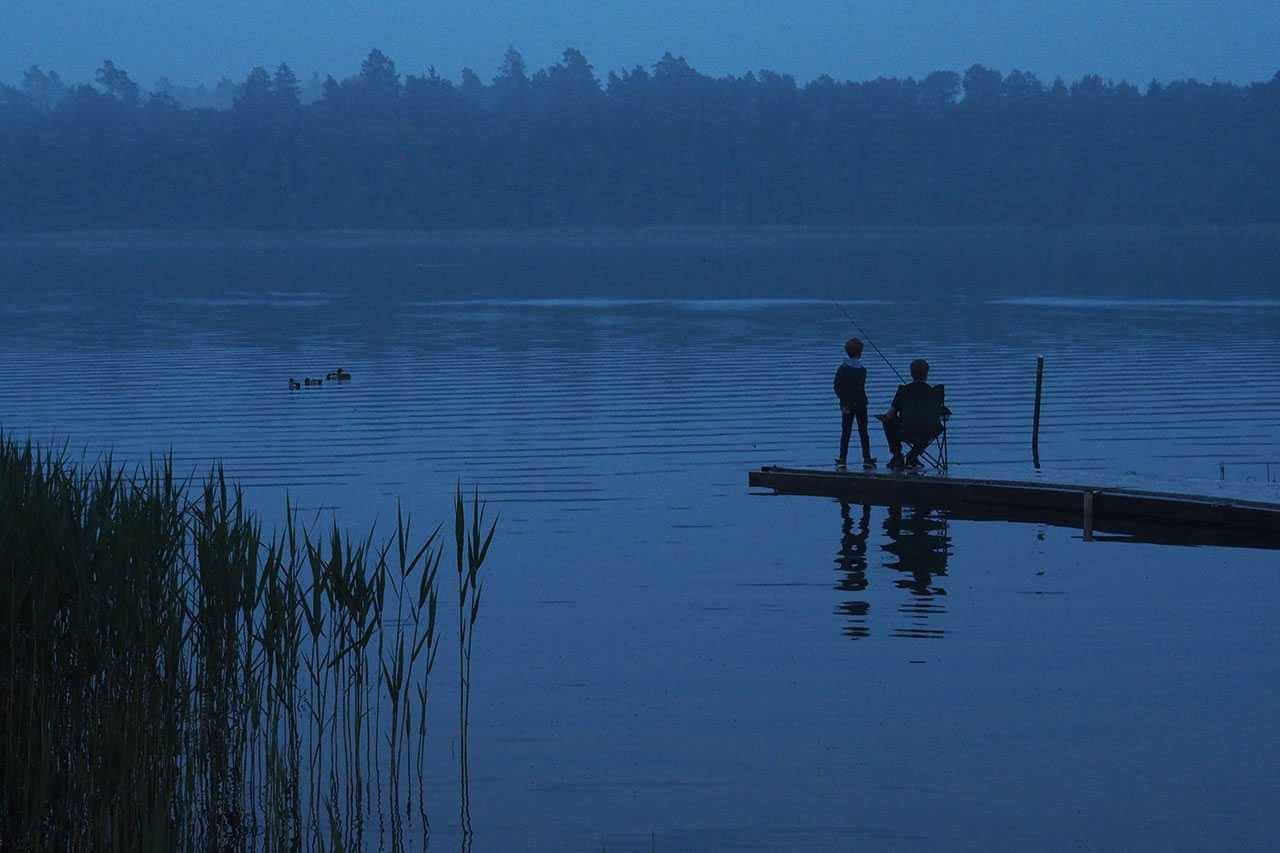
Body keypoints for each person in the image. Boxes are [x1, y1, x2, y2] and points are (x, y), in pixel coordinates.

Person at [880, 358, 950, 469]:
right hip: (929, 430)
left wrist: (885, 418)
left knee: (887, 422)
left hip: (906, 430)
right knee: (928, 425)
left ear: (911, 374)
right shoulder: (934, 393)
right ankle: (913, 455)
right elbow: (944, 414)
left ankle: (897, 456)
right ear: (926, 375)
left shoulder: (903, 392)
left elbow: (890, 415)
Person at [833, 338, 875, 468]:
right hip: (860, 404)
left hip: (846, 406)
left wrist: (846, 403)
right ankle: (867, 458)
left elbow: (837, 387)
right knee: (863, 431)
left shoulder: (841, 369)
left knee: (846, 431)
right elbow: (859, 389)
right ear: (860, 353)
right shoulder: (862, 370)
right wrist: (853, 403)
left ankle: (843, 459)